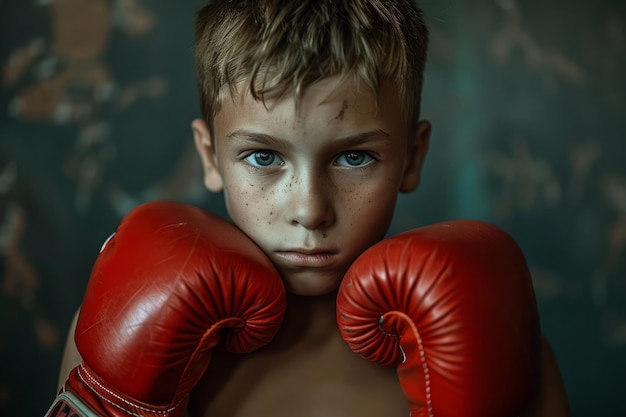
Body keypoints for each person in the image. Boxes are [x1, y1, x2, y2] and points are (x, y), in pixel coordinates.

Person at [54, 1, 571, 416]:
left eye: (353, 156)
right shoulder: (122, 327)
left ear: (412, 158)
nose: (310, 209)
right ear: (210, 157)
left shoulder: (492, 343)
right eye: (263, 157)